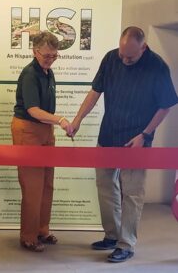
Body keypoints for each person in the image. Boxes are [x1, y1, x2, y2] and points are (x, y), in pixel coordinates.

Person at [71, 26, 178, 262]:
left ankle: (126, 244)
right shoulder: (111, 58)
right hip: (108, 135)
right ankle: (111, 234)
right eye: (122, 54)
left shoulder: (157, 67)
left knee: (132, 193)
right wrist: (78, 119)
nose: (125, 60)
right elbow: (95, 92)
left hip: (137, 140)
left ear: (144, 47)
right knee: (106, 186)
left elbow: (166, 105)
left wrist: (145, 134)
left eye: (130, 56)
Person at [11, 31, 73, 252]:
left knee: (47, 183)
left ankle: (42, 230)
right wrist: (61, 120)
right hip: (28, 129)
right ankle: (28, 237)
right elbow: (33, 110)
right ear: (35, 51)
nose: (50, 59)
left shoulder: (48, 72)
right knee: (33, 186)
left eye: (54, 55)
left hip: (45, 130)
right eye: (47, 55)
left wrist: (55, 124)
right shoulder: (29, 74)